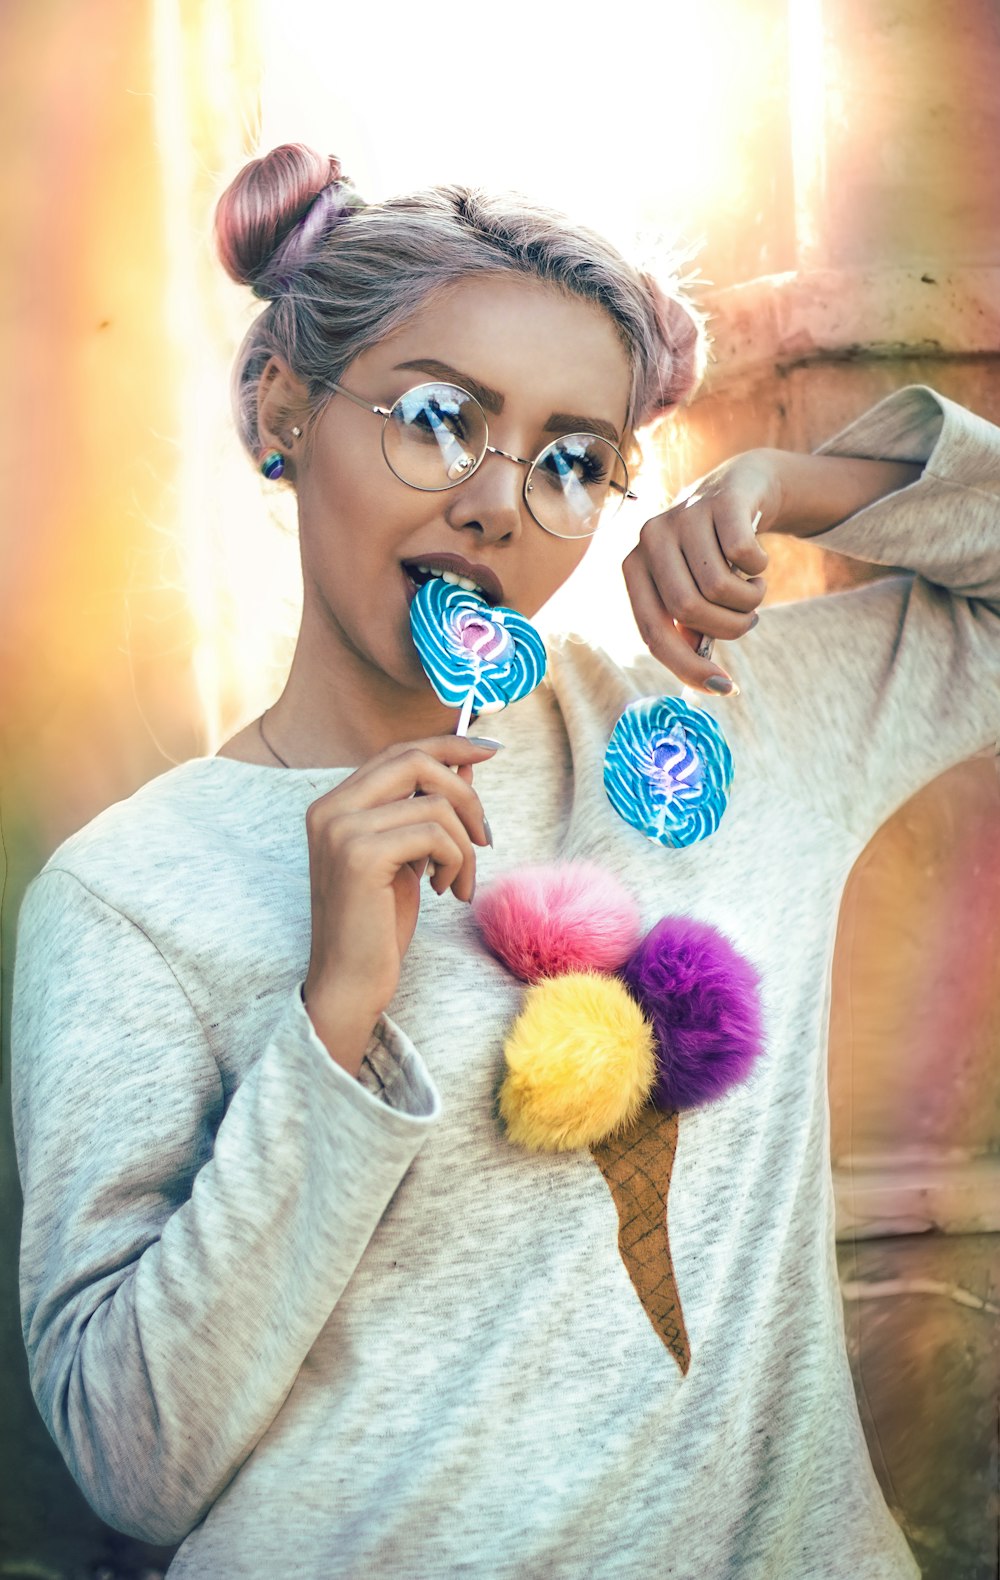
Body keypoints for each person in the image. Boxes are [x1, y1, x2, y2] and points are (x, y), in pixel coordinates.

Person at [11, 142, 999, 1580]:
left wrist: (802, 484)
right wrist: (333, 1020)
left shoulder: (722, 723)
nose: (495, 503)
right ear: (285, 410)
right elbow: (131, 1462)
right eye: (433, 418)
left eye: (570, 460)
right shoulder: (130, 893)